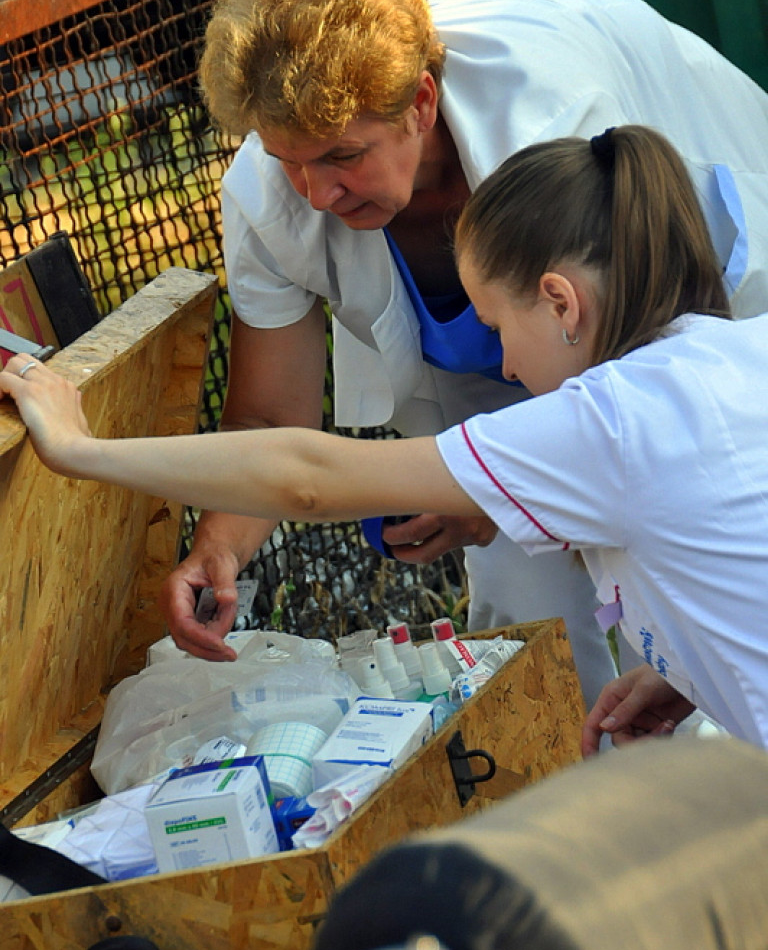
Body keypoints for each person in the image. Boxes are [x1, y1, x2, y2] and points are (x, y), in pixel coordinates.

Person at [4, 124, 768, 750]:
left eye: (497, 327)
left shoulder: (605, 421)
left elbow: (309, 476)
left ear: (561, 303)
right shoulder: (735, 352)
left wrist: (82, 450)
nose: (502, 364)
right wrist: (691, 668)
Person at [160, 0, 768, 712]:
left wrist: (496, 491)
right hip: (545, 351)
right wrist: (219, 546)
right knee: (520, 608)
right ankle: (563, 770)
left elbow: (632, 429)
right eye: (289, 162)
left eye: (343, 156)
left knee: (682, 587)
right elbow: (268, 419)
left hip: (674, 318)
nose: (316, 195)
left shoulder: (554, 122)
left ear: (421, 102)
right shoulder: (266, 195)